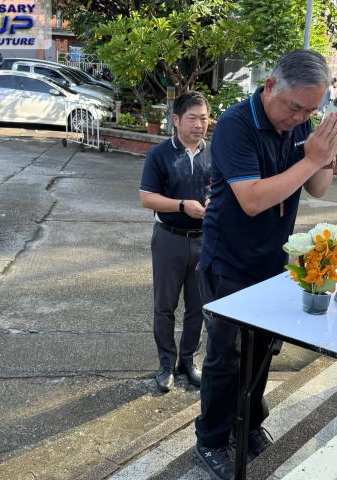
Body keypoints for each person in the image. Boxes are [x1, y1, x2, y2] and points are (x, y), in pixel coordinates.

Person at [192, 50, 337, 479]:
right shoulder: (237, 127)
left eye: (311, 111)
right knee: (226, 358)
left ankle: (248, 424)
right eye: (295, 107)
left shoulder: (301, 124)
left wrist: (326, 153)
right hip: (229, 263)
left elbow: (317, 188)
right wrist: (311, 158)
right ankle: (210, 440)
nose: (300, 118)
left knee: (261, 354)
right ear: (271, 85)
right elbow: (254, 200)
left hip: (273, 262)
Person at [139, 91, 211, 392]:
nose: (199, 125)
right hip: (169, 238)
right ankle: (166, 364)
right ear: (177, 120)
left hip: (205, 240)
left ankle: (188, 361)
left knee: (198, 306)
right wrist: (183, 205)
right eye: (192, 118)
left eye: (204, 118)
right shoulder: (160, 154)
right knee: (165, 305)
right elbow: (147, 198)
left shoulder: (215, 153)